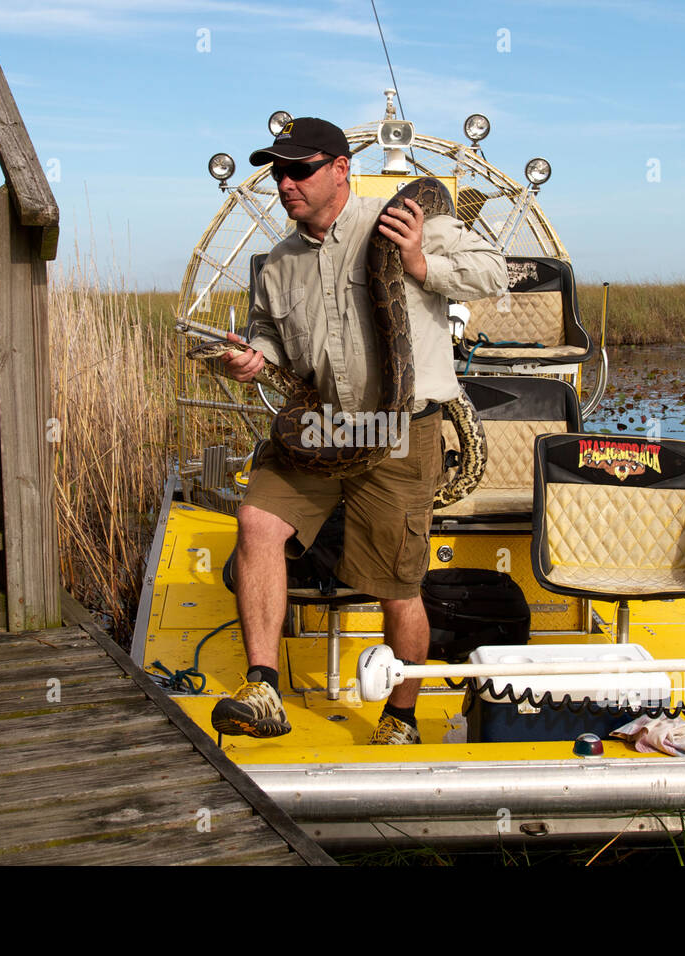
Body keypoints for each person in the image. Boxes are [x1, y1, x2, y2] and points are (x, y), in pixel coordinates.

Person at [210, 117, 505, 744]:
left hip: (400, 429)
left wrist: (421, 260)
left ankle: (400, 716)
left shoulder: (400, 220)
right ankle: (263, 686)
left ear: (340, 169)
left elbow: (492, 273)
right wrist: (251, 357)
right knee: (256, 523)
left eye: (299, 169)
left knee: (396, 584)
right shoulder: (279, 263)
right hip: (318, 424)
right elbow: (269, 333)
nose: (285, 182)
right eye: (277, 173)